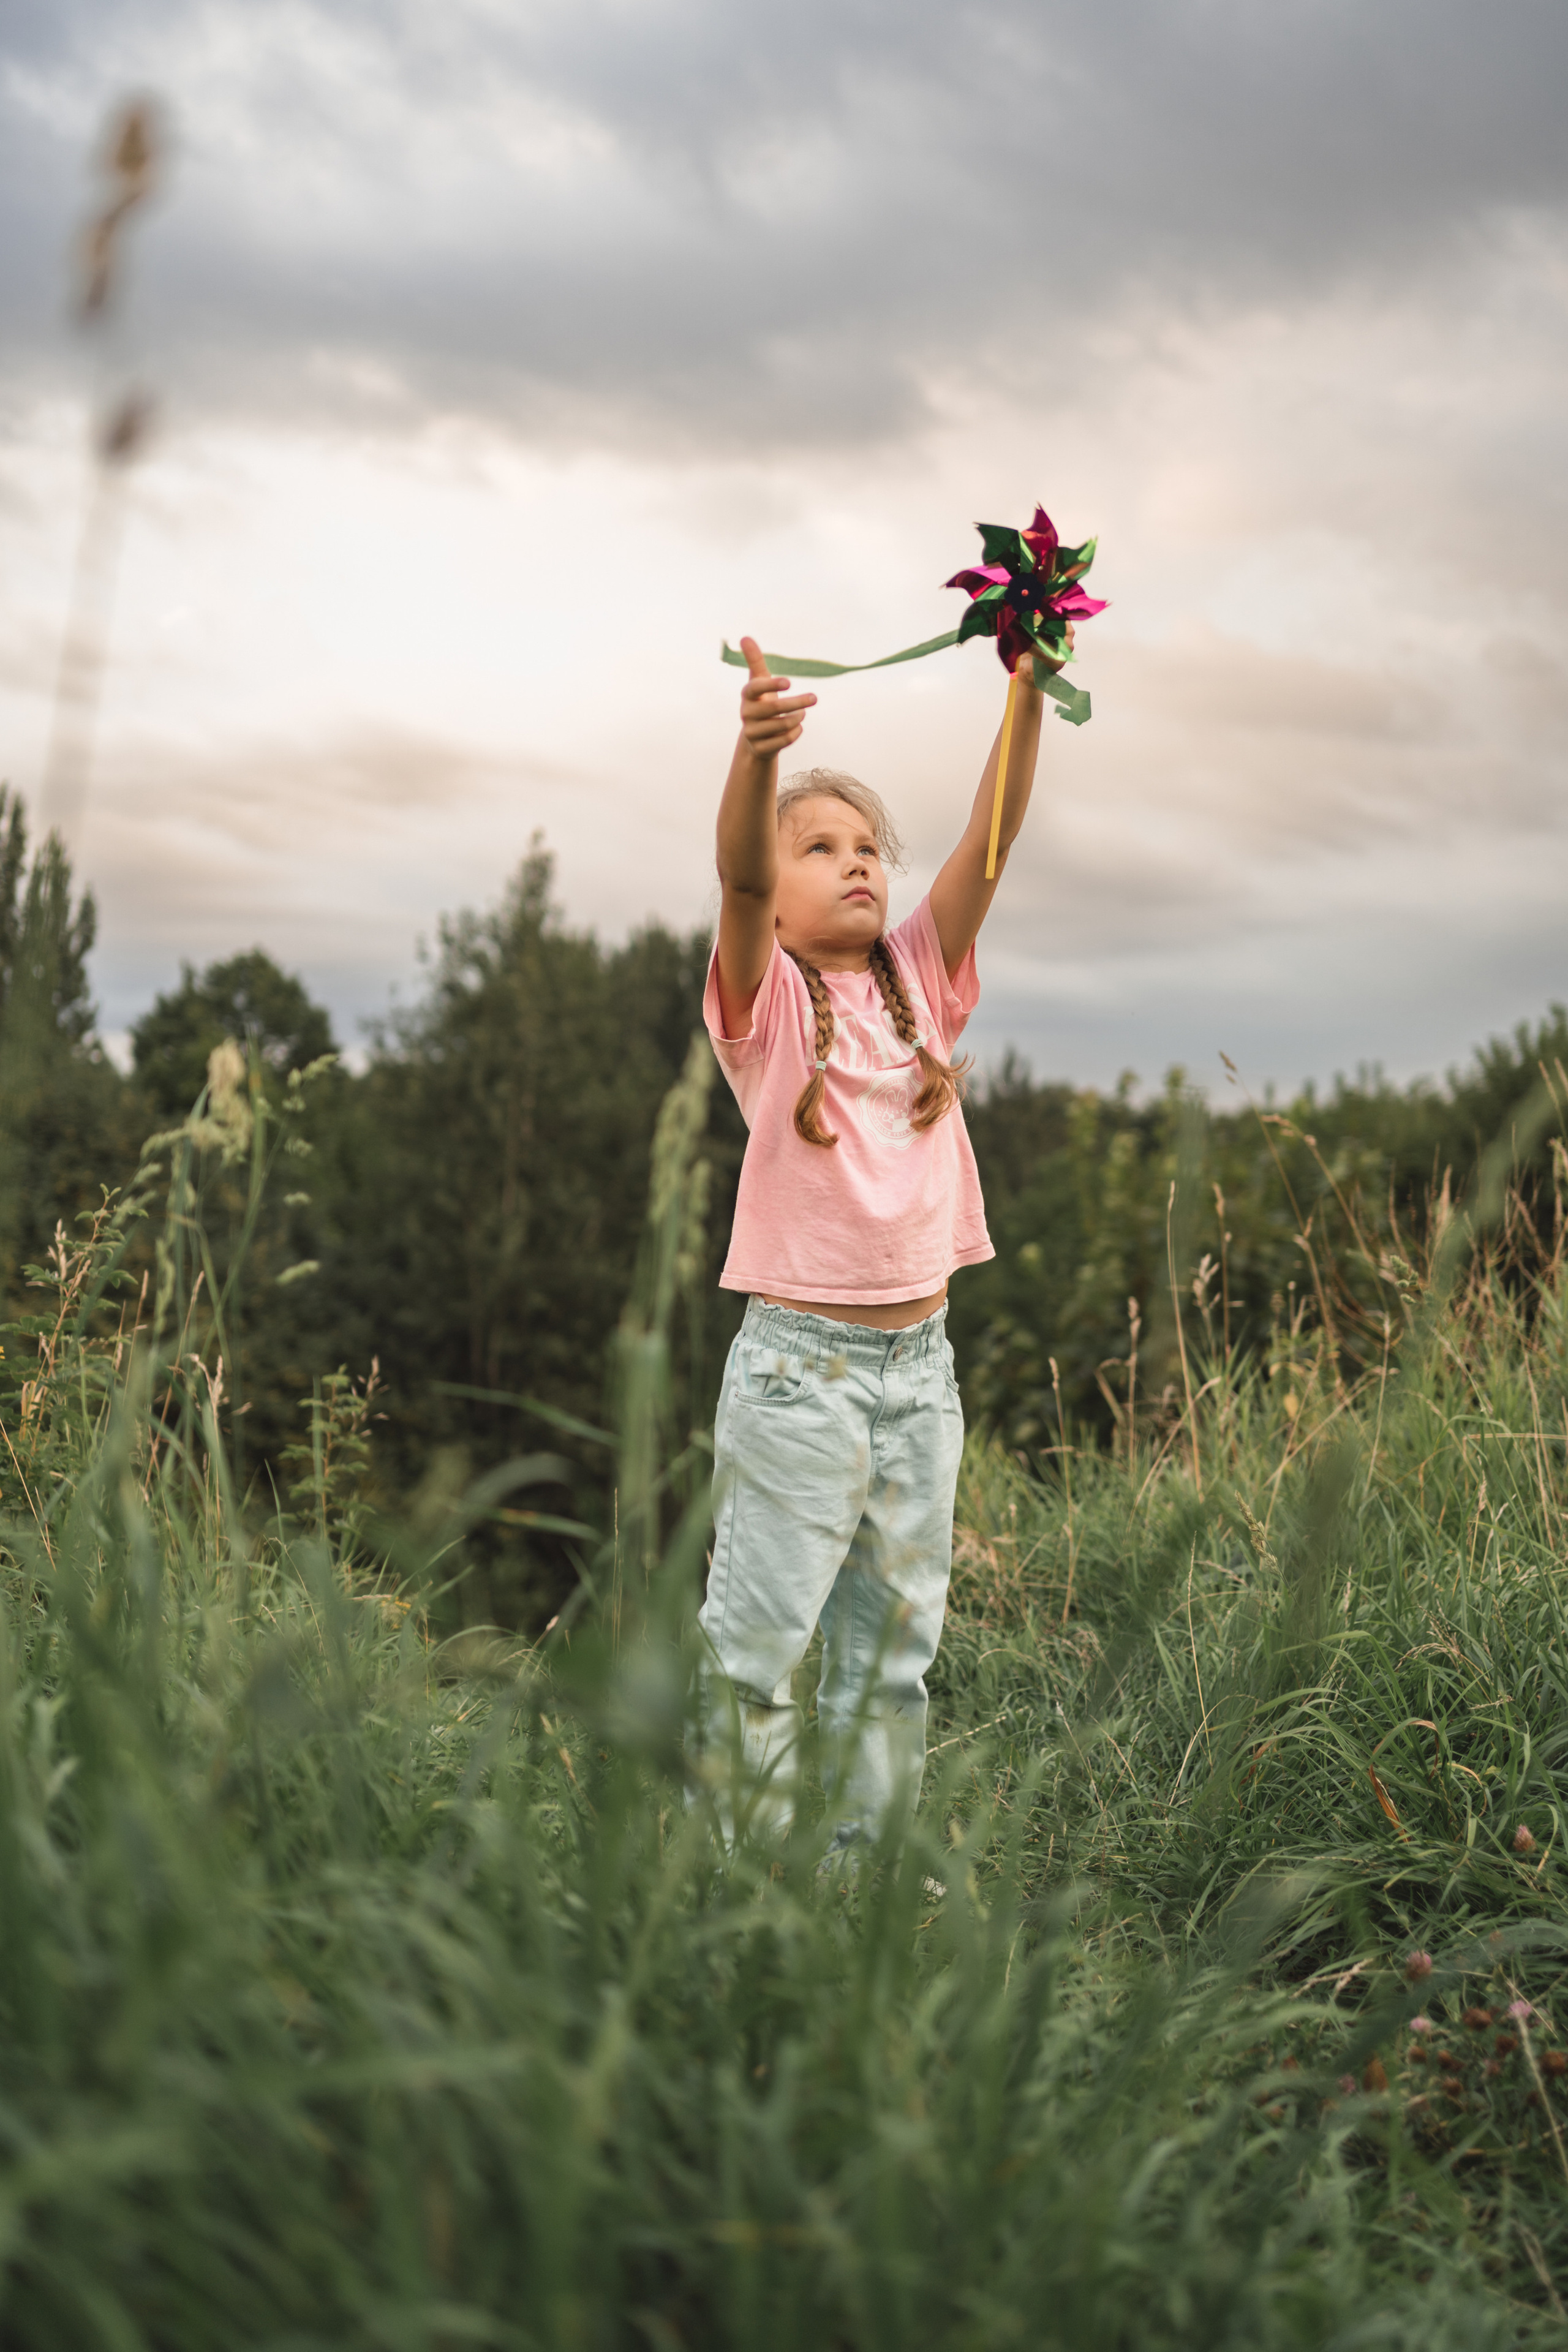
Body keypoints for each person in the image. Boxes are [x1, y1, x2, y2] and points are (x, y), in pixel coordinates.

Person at [699, 632, 1063, 1855]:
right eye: (820, 847)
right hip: (799, 1377)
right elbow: (740, 887)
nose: (852, 864)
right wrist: (757, 765)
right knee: (758, 1660)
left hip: (921, 1379)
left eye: (866, 848)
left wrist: (1024, 686)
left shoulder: (919, 976)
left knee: (887, 1668)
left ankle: (854, 1914)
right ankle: (746, 1905)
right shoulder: (770, 1005)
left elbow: (990, 844)